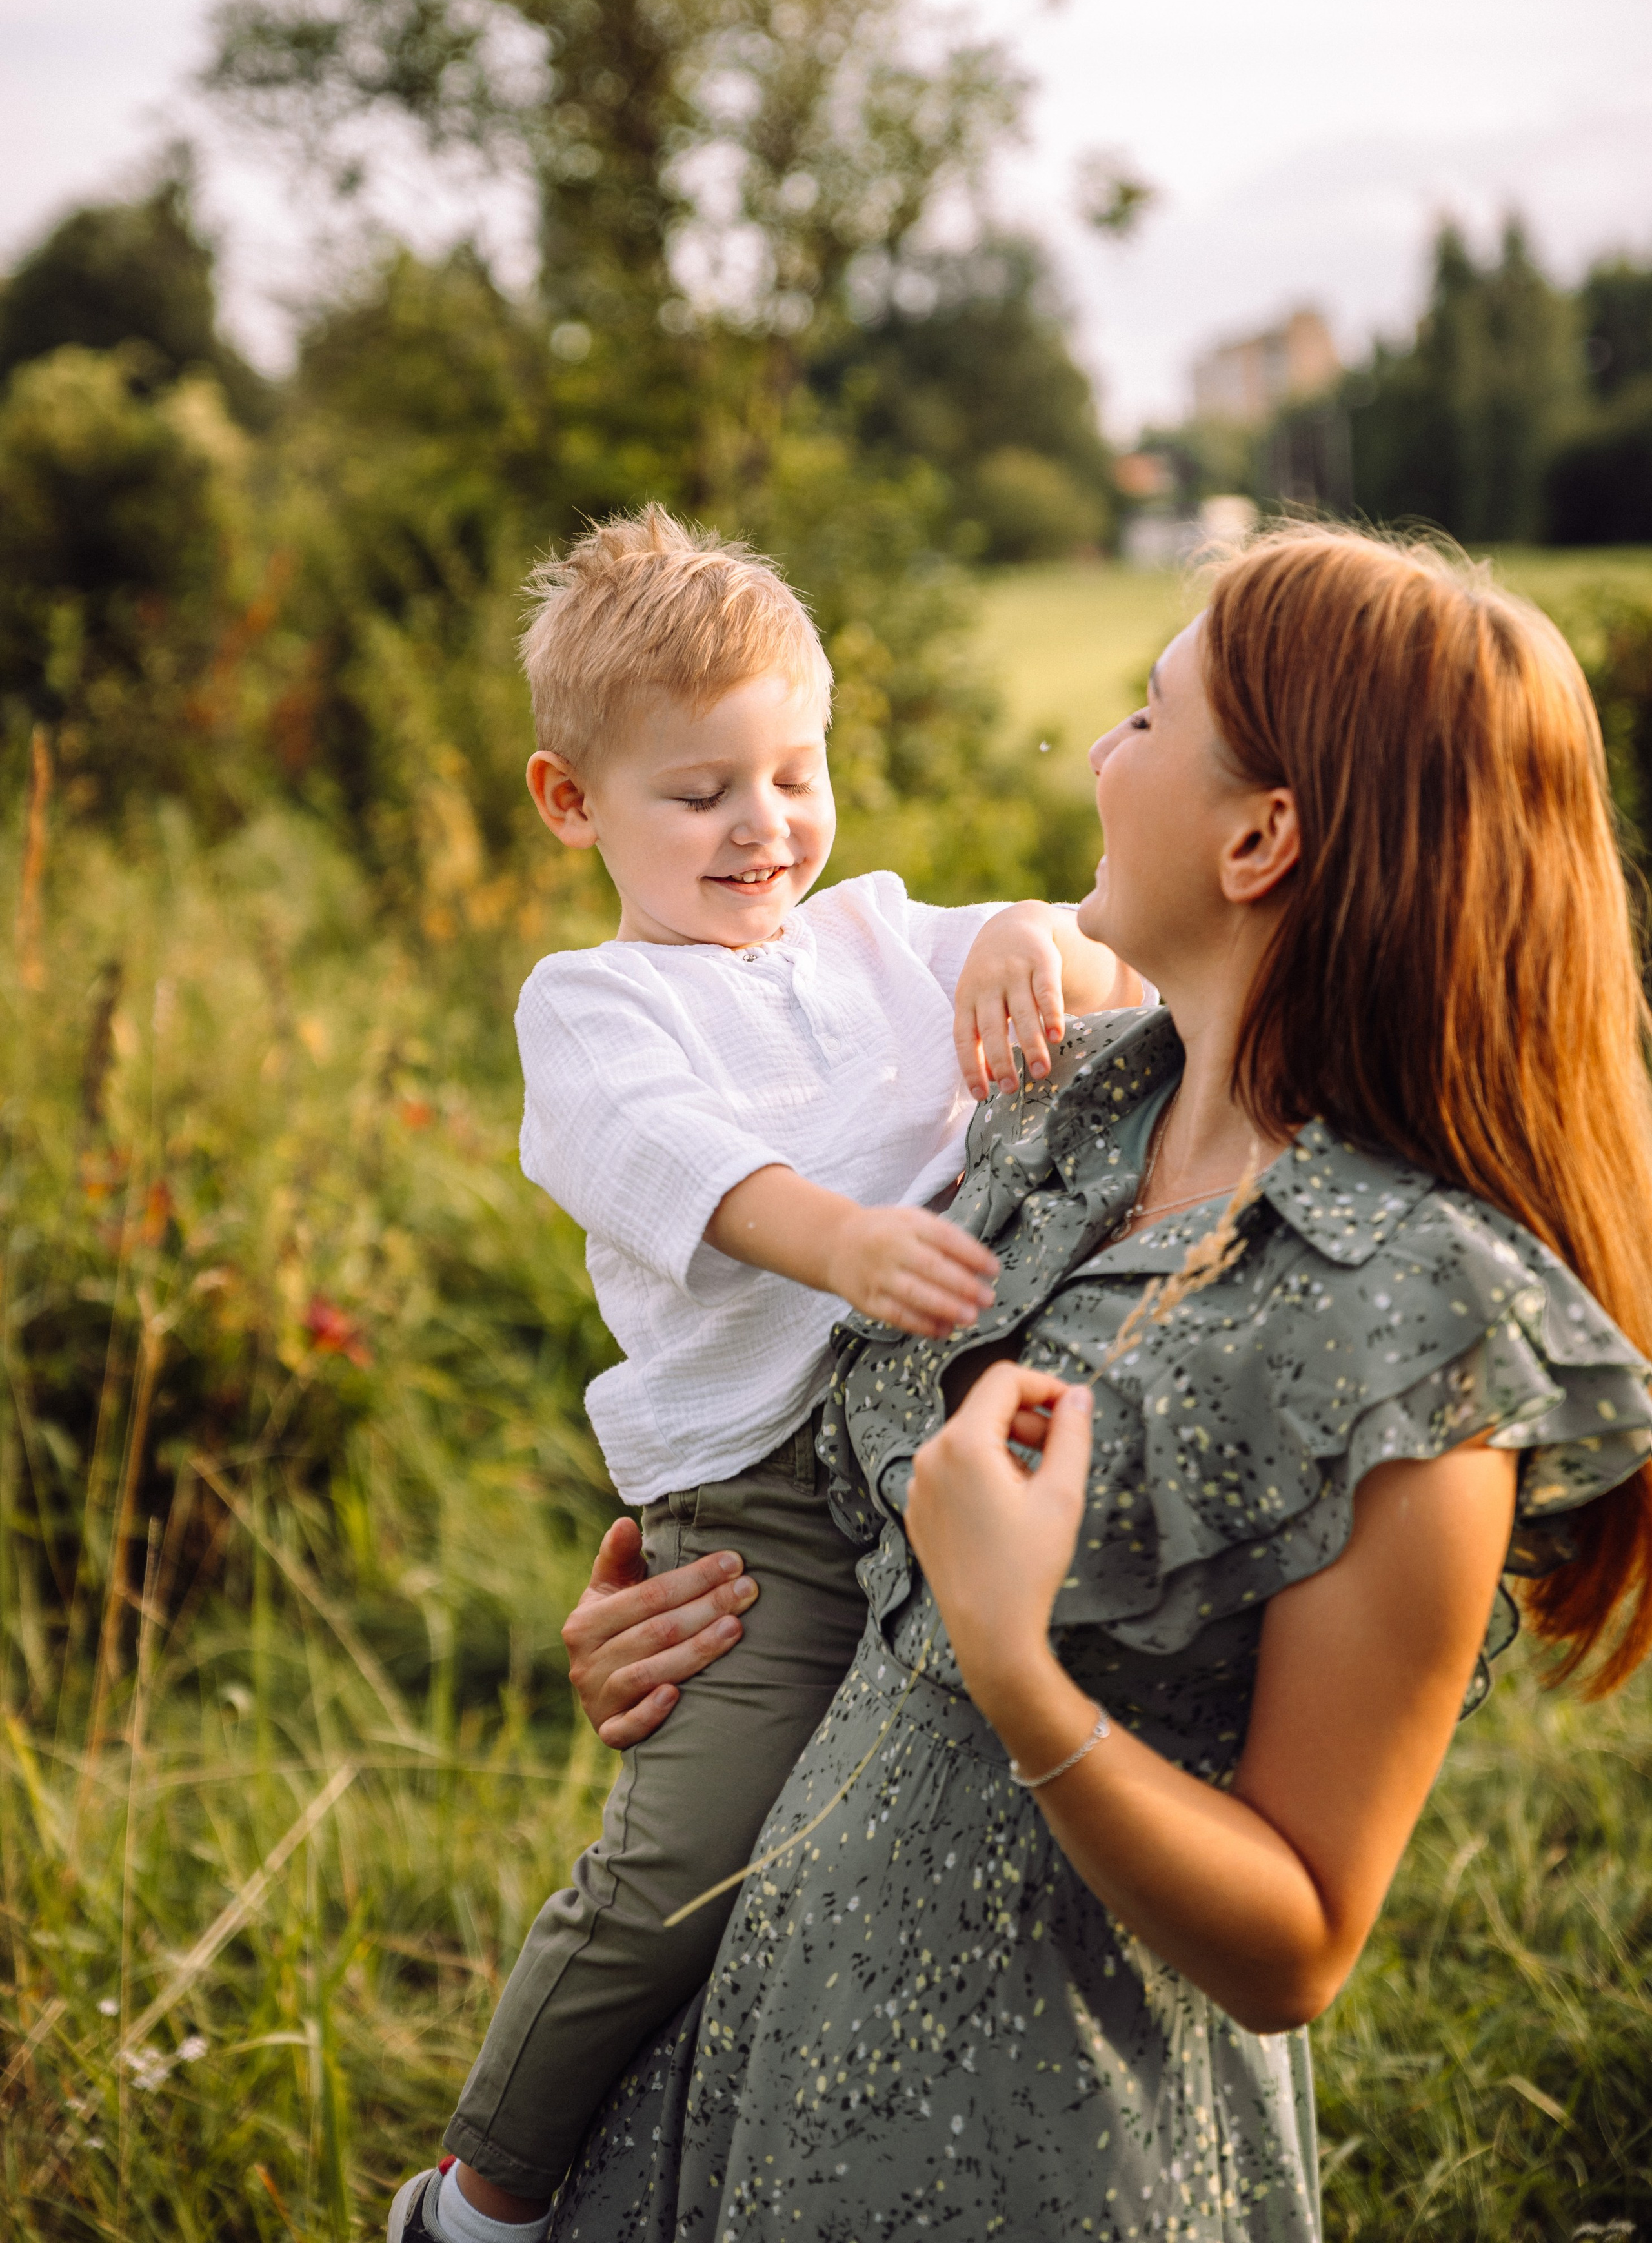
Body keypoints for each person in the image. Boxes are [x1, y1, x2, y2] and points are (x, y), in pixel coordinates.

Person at [540, 525, 1652, 2242]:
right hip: (757, 2093)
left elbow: (1298, 1943)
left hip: (1041, 2165)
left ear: (1261, 836)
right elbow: (849, 1468)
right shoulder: (1066, 1118)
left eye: (1144, 718)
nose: (1099, 758)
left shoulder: (1411, 1329)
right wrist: (701, 1613)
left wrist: (1014, 1665)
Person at [389, 508, 1136, 2243]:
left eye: (795, 770)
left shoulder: (875, 931)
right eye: (703, 789)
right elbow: (669, 1164)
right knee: (691, 1857)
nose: (767, 824)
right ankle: (481, 2195)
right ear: (570, 803)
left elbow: (1086, 973)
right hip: (757, 1494)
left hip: (922, 1452)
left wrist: (1034, 931)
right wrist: (846, 1246)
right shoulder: (594, 1006)